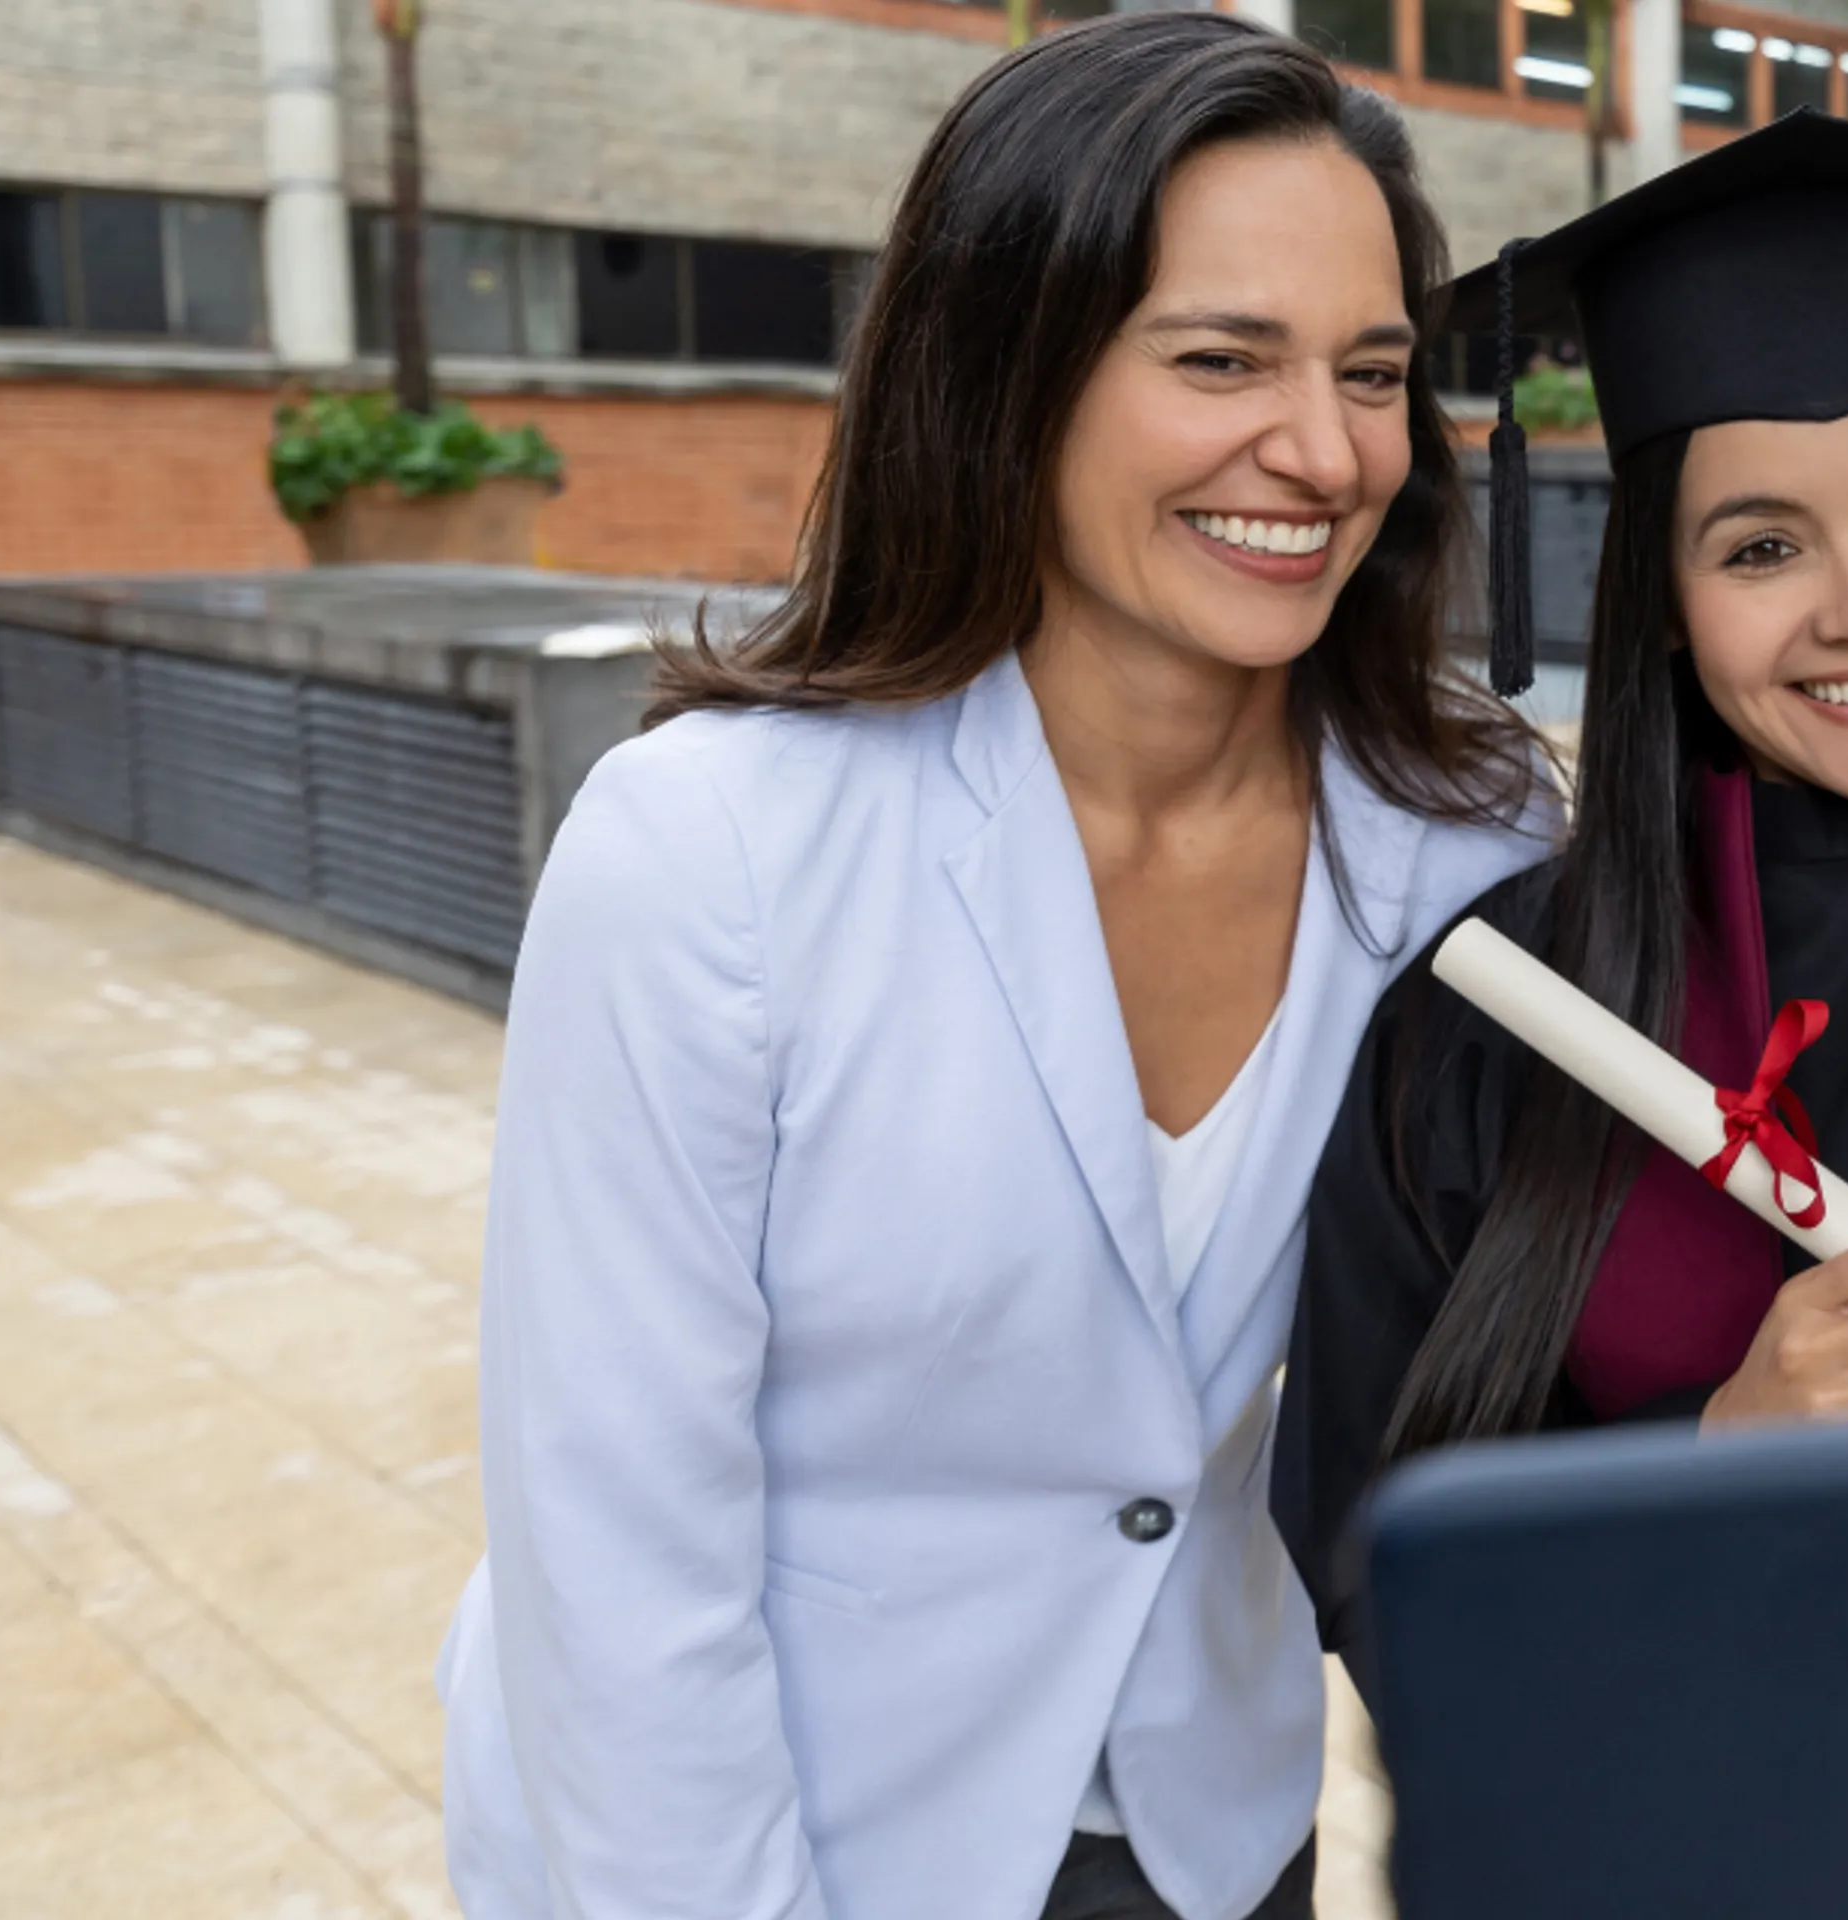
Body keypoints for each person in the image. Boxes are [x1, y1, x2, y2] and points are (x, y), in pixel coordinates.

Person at [436, 20, 1551, 1920]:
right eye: (1221, 359)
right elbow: (615, 1549)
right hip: (786, 1830)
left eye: (1372, 372)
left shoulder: (1468, 841)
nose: (1325, 451)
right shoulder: (708, 854)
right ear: (1008, 366)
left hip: (1213, 1831)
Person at [1272, 115, 1848, 1658]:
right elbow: (1368, 1559)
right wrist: (1711, 1458)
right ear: (1663, 600)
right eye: (1763, 548)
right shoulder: (1505, 1010)